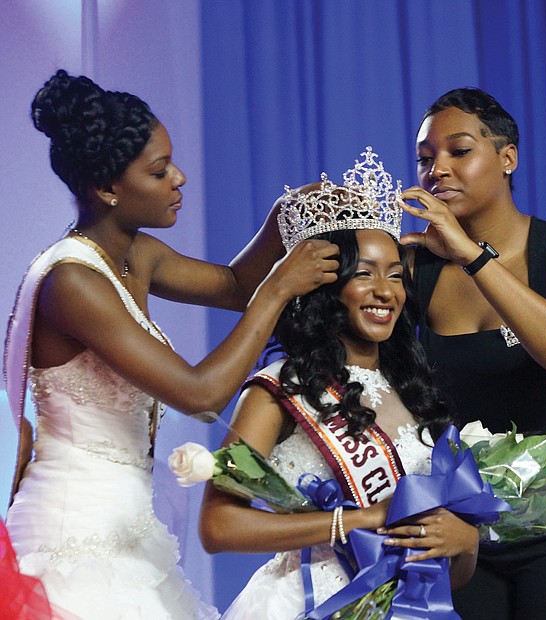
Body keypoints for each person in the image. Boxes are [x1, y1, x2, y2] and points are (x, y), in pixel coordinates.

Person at [4, 69, 339, 619]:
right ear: (108, 188)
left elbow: (234, 287)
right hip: (74, 541)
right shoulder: (73, 282)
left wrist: (282, 223)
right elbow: (202, 396)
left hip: (126, 528)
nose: (179, 177)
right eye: (159, 171)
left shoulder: (138, 253)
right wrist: (280, 287)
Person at [199, 149, 479, 619]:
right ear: (327, 287)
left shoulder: (411, 389)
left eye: (395, 275)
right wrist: (359, 520)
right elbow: (217, 525)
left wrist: (466, 541)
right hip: (308, 601)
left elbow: (449, 571)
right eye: (363, 273)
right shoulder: (279, 389)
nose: (385, 291)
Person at [399, 87, 546, 620]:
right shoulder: (411, 267)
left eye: (459, 151)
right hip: (467, 524)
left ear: (507, 158)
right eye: (426, 159)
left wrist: (471, 255)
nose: (438, 170)